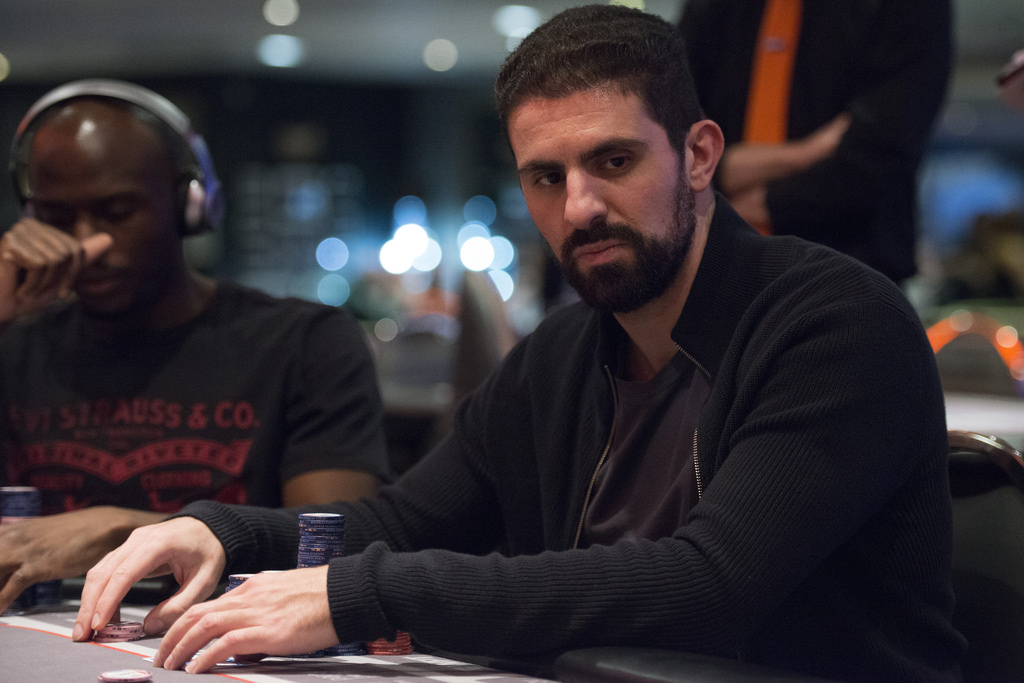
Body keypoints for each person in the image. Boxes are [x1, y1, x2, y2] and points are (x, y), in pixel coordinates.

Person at [74, 7, 964, 682]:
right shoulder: (562, 353)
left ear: (698, 156)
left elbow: (710, 583)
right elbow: (398, 522)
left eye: (613, 162)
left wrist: (364, 593)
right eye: (546, 175)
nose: (578, 207)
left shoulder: (837, 323)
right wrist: (218, 530)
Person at [0, 80, 391, 612]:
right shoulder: (14, 348)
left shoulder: (304, 343)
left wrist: (130, 531)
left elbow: (332, 553)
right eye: (56, 219)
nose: (85, 244)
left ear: (190, 205)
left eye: (117, 211)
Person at [679, 0, 952, 284]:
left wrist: (721, 205)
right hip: (715, 273)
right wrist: (808, 152)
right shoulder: (713, 9)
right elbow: (677, 144)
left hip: (850, 277)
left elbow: (877, 159)